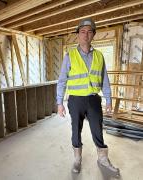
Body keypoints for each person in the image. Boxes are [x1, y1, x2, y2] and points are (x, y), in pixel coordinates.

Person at [56, 18, 120, 175]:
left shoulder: (99, 56)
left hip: (93, 99)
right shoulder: (69, 56)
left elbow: (104, 79)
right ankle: (77, 159)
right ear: (78, 35)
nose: (85, 35)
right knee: (75, 130)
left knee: (98, 129)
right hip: (76, 100)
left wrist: (108, 99)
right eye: (82, 32)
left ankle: (103, 159)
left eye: (89, 31)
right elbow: (62, 81)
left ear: (93, 35)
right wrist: (59, 103)